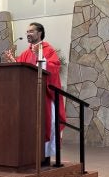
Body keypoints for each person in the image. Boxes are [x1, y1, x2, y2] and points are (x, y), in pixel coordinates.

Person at [4, 22, 66, 164]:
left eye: (31, 31)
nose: (28, 34)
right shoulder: (26, 53)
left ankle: (44, 157)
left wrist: (41, 59)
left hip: (44, 96)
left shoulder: (48, 50)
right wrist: (14, 62)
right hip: (28, 99)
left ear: (39, 33)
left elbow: (54, 68)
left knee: (45, 124)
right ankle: (29, 155)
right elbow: (22, 72)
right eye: (27, 31)